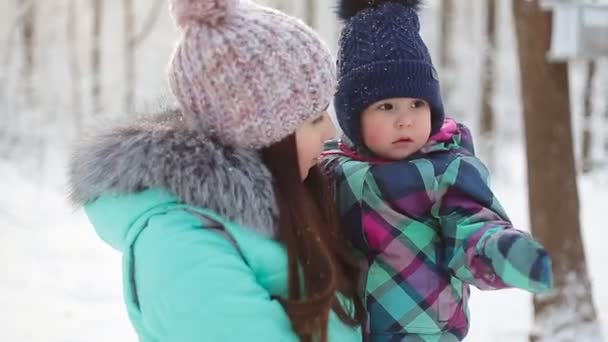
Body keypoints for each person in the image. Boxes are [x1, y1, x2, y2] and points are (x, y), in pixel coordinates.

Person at [68, 0, 365, 341]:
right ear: (261, 134)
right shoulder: (180, 246)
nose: (330, 132)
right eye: (314, 118)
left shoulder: (274, 210)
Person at [321, 1, 553, 341]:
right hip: (344, 330)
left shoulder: (445, 170)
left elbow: (470, 228)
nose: (406, 119)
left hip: (423, 332)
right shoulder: (329, 169)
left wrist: (503, 252)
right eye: (386, 106)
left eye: (417, 104)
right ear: (353, 118)